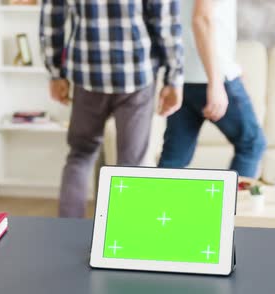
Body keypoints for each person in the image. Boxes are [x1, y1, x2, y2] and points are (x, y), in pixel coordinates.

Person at [40, 0, 185, 218]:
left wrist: (55, 73)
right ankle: (123, 243)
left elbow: (53, 16)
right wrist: (174, 77)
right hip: (136, 75)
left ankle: (65, 234)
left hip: (87, 73)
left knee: (80, 155)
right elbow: (165, 20)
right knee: (131, 165)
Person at [158, 0, 266, 177]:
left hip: (183, 76)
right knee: (252, 144)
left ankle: (156, 204)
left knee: (174, 158)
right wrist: (215, 82)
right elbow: (201, 19)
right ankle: (231, 205)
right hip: (211, 78)